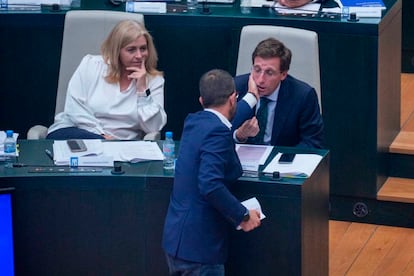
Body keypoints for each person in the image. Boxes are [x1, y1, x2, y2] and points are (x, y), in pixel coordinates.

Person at [162, 69, 261, 275]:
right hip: (201, 249)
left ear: (201, 100)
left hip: (176, 241)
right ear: (233, 99)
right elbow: (210, 184)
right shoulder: (217, 133)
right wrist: (242, 216)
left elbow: (224, 119)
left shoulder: (194, 122)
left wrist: (251, 98)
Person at [47, 20, 166, 140]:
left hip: (120, 145)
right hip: (79, 132)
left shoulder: (154, 80)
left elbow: (153, 128)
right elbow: (75, 108)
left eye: (143, 49)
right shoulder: (91, 65)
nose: (139, 56)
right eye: (131, 50)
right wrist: (99, 135)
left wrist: (142, 90)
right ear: (116, 51)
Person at [232, 37, 324, 149]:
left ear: (283, 74)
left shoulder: (303, 96)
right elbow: (216, 134)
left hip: (280, 163)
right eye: (257, 70)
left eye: (269, 73)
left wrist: (281, 159)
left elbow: (312, 142)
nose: (260, 79)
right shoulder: (236, 87)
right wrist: (239, 136)